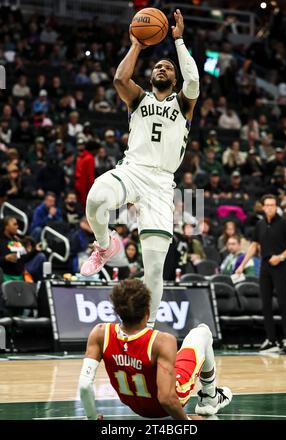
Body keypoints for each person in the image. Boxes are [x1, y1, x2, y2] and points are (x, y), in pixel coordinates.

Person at [81, 10, 200, 327]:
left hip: (161, 184)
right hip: (132, 169)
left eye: (168, 67)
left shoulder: (184, 103)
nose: (162, 68)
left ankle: (145, 329)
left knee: (153, 267)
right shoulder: (138, 99)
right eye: (158, 66)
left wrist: (178, 40)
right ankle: (106, 245)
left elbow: (194, 79)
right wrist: (136, 44)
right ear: (151, 76)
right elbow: (120, 79)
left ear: (174, 79)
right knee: (95, 199)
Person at [79, 279, 232, 420]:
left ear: (117, 311)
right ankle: (209, 398)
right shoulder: (162, 341)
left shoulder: (100, 333)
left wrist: (92, 417)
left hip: (134, 404)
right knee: (202, 332)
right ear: (148, 312)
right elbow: (167, 398)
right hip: (166, 406)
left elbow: (85, 385)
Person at [235, 194, 286, 354]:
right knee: (266, 304)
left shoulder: (283, 223)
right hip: (265, 266)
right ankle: (271, 339)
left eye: (273, 205)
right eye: (267, 205)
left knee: (283, 303)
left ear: (275, 206)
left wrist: (281, 256)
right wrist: (242, 264)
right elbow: (254, 246)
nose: (270, 207)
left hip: (281, 265)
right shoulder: (260, 225)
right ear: (262, 207)